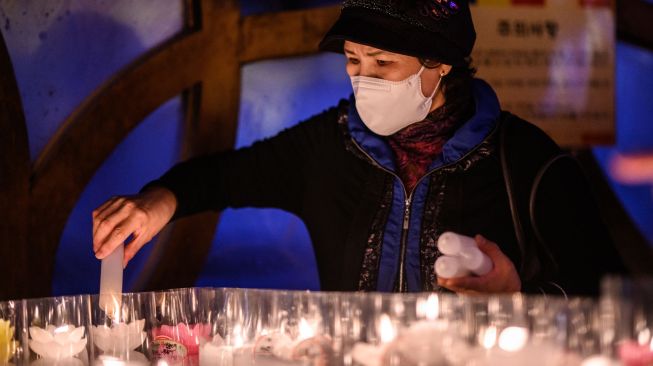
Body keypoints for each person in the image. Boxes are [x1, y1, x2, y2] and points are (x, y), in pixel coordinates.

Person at [92, 0, 626, 296]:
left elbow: (608, 292)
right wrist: (155, 202)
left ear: (441, 66)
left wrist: (518, 298)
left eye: (383, 63)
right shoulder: (333, 143)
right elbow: (224, 177)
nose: (363, 79)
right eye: (353, 60)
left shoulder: (527, 161)